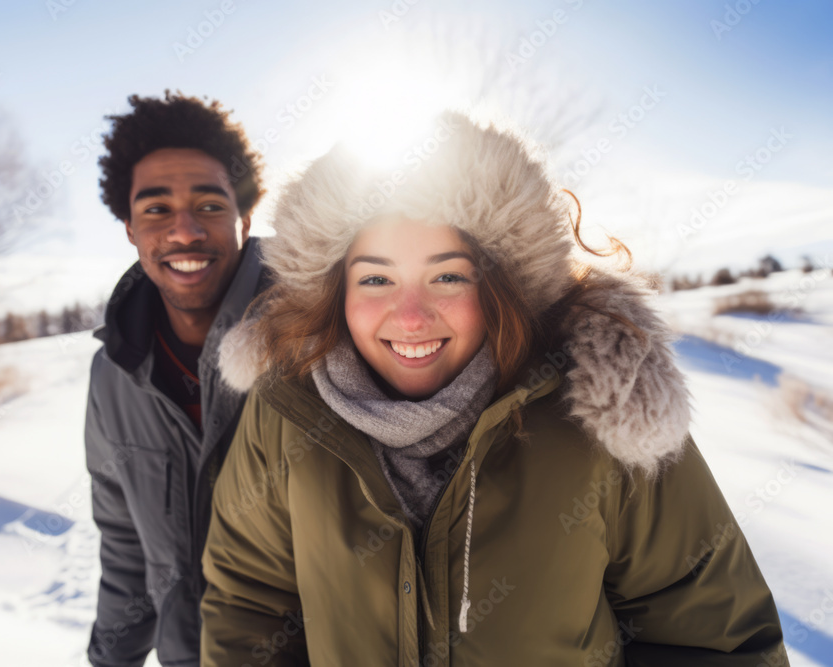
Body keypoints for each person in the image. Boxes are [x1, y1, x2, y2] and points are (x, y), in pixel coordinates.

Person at [199, 112, 789, 665]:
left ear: (501, 284)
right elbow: (248, 603)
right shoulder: (286, 414)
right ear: (335, 291)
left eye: (447, 275)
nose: (410, 317)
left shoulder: (601, 416)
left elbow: (711, 636)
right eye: (376, 277)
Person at [84, 91, 270, 667]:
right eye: (157, 209)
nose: (184, 231)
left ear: (244, 219)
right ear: (130, 228)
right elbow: (124, 546)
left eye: (210, 205)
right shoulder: (113, 373)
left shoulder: (315, 336)